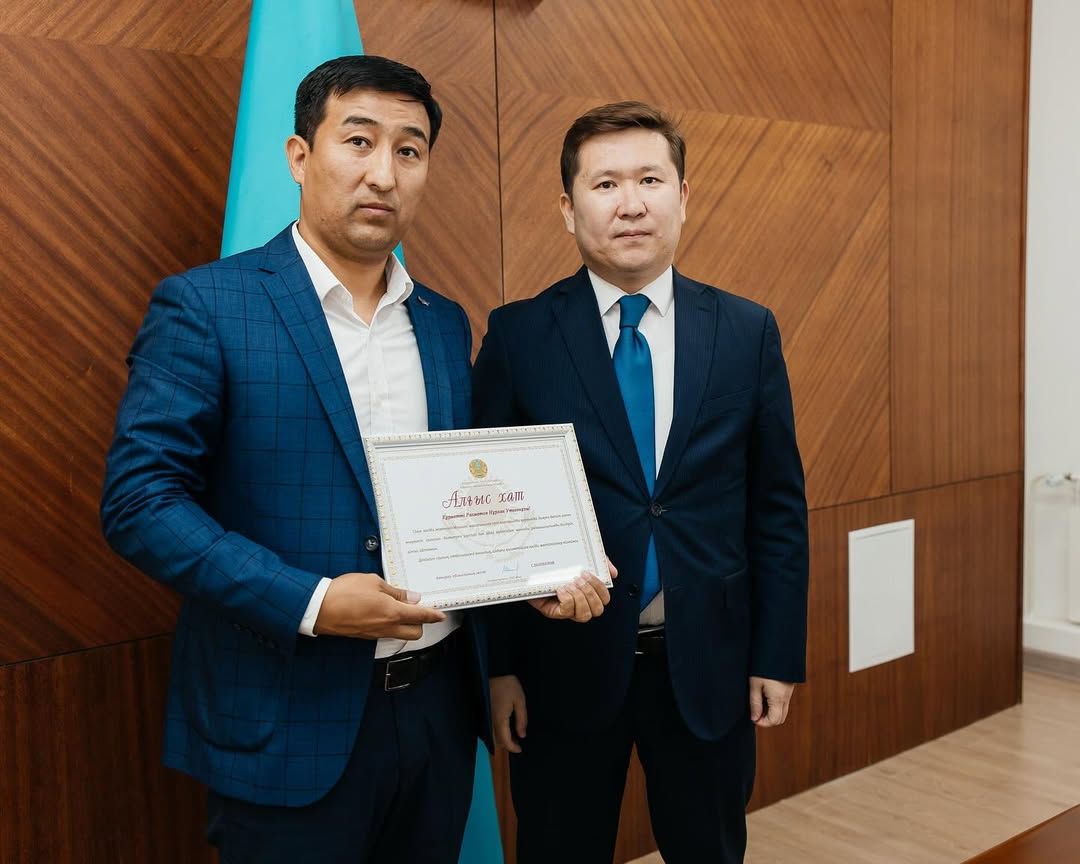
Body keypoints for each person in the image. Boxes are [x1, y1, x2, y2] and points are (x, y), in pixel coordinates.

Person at [101, 55, 607, 864]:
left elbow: (464, 499)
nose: (383, 173)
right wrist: (311, 601)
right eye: (359, 141)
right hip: (285, 718)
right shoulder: (207, 304)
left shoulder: (442, 321)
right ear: (301, 156)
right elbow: (140, 502)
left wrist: (531, 574)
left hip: (438, 714)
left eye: (409, 150)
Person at [474, 101, 810, 864]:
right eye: (605, 184)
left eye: (651, 180)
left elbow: (777, 509)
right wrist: (500, 666)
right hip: (561, 670)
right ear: (568, 208)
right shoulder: (519, 336)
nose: (631, 203)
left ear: (683, 197)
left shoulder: (746, 331)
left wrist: (776, 653)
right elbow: (491, 514)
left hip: (708, 666)